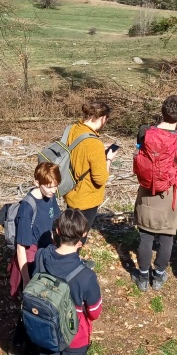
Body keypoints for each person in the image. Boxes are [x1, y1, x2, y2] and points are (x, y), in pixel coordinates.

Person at [35, 208, 102, 355]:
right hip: (75, 336)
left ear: (56, 232)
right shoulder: (86, 276)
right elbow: (94, 312)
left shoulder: (42, 256)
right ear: (82, 238)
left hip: (45, 328)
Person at [131, 95, 177, 292]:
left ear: (162, 111)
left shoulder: (144, 131)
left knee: (145, 235)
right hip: (170, 193)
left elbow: (140, 149)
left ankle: (142, 276)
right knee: (167, 236)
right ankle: (158, 276)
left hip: (147, 189)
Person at [7, 161, 62, 355]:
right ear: (37, 182)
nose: (53, 190)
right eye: (48, 185)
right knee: (31, 305)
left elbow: (56, 220)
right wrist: (26, 277)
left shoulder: (51, 196)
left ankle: (38, 341)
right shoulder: (27, 208)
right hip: (31, 260)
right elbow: (21, 247)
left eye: (55, 185)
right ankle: (17, 346)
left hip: (47, 255)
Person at [64, 100, 119, 246]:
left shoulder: (74, 129)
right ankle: (71, 264)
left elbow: (79, 154)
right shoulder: (93, 143)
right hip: (86, 198)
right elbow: (100, 178)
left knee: (69, 233)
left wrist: (99, 150)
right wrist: (108, 159)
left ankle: (65, 260)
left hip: (70, 190)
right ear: (102, 118)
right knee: (77, 238)